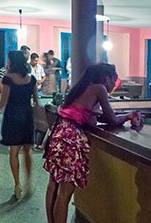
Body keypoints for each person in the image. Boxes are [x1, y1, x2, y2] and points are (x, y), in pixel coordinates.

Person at [44, 63, 138, 223]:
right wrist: (129, 115)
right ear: (107, 78)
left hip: (59, 132)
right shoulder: (100, 88)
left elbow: (81, 112)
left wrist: (92, 113)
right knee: (64, 194)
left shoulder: (85, 86)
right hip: (71, 137)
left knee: (53, 186)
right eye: (114, 80)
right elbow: (113, 120)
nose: (114, 85)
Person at [0, 51, 39, 201]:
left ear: (12, 62)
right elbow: (36, 102)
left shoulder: (8, 79)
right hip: (27, 115)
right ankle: (29, 181)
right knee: (27, 150)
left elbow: (3, 103)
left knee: (13, 151)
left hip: (12, 116)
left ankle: (17, 185)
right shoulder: (31, 79)